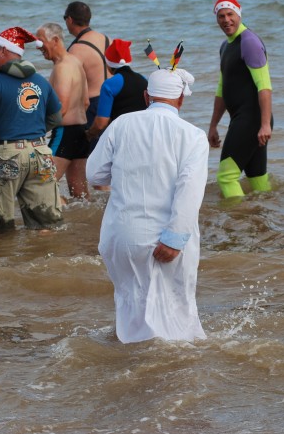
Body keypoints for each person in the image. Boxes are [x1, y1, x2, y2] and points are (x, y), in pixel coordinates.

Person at [86, 67, 208, 344]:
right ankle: (166, 376)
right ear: (180, 100)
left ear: (146, 96)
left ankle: (131, 363)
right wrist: (175, 239)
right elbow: (190, 190)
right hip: (166, 236)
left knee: (130, 308)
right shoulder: (193, 135)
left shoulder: (121, 124)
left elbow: (94, 175)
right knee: (176, 312)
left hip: (122, 236)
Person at [0, 26, 64, 232]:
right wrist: (34, 130)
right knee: (46, 226)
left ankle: (7, 262)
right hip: (39, 154)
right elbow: (56, 118)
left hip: (6, 156)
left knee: (2, 227)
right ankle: (47, 263)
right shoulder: (40, 81)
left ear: (4, 51)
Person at [207, 0, 273, 198]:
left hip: (252, 119)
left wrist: (264, 124)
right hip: (245, 118)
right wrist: (213, 125)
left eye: (230, 14)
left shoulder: (249, 42)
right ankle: (263, 219)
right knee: (257, 177)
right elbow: (222, 88)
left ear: (238, 13)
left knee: (226, 177)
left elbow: (264, 86)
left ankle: (237, 221)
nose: (226, 20)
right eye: (221, 16)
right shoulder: (225, 46)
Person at [36, 22, 90, 200]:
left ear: (55, 40)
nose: (38, 47)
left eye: (40, 41)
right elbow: (86, 102)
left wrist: (37, 131)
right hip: (80, 133)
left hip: (65, 134)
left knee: (41, 185)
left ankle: (56, 217)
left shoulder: (62, 68)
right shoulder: (75, 62)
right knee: (80, 195)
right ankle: (83, 225)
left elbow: (62, 108)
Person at [85, 39, 148, 141]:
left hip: (122, 136)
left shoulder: (109, 84)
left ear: (108, 63)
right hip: (143, 134)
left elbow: (101, 123)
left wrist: (89, 134)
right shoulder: (143, 80)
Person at [63, 1, 110, 134]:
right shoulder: (107, 39)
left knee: (91, 150)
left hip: (93, 105)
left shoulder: (76, 49)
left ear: (70, 20)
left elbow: (70, 85)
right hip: (112, 100)